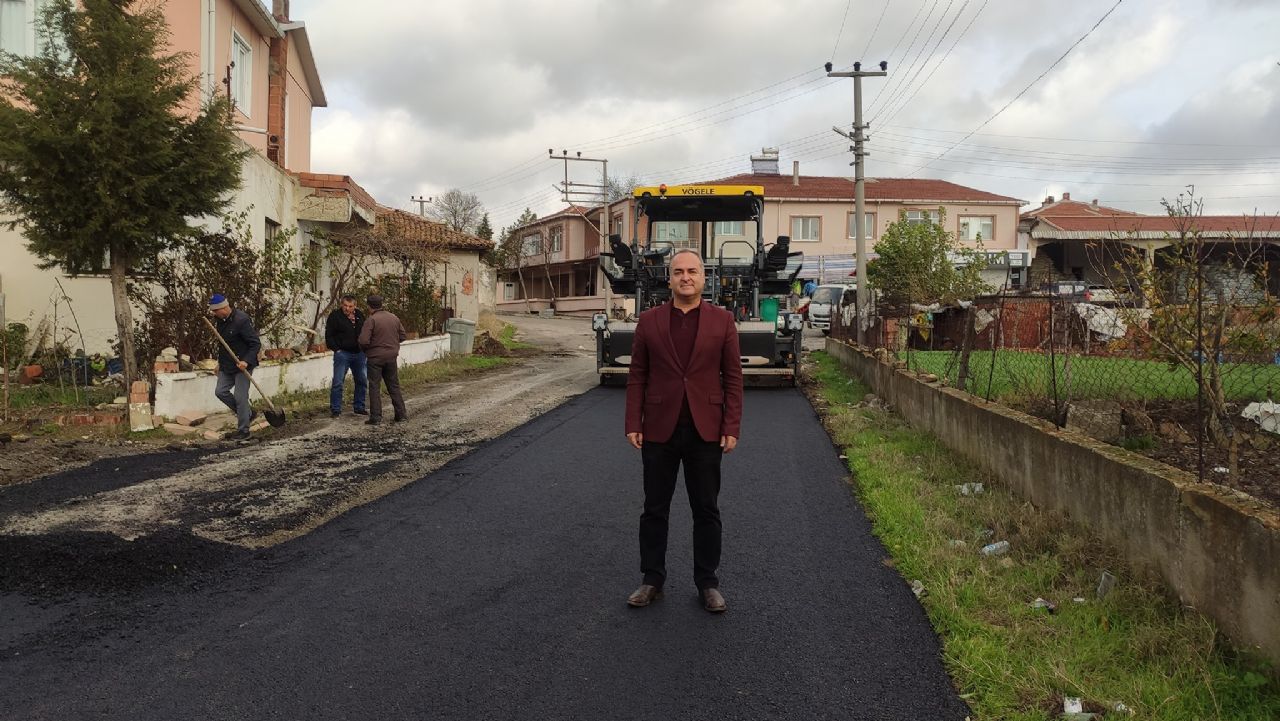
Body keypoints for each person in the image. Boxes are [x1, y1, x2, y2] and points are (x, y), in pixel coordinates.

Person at [624, 249, 743, 613]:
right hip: (659, 429)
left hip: (705, 430)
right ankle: (651, 579)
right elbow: (638, 376)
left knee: (706, 509)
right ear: (669, 278)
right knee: (654, 509)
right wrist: (633, 422)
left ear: (704, 278)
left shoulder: (723, 321)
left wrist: (731, 425)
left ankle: (708, 583)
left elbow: (733, 379)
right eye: (679, 272)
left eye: (692, 271)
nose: (686, 277)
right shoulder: (649, 321)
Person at [209, 294, 261, 441]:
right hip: (227, 364)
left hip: (243, 365)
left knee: (240, 397)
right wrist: (219, 363)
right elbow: (223, 345)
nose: (214, 314)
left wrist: (246, 361)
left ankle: (244, 430)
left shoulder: (242, 320)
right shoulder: (220, 320)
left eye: (215, 311)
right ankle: (248, 414)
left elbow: (255, 344)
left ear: (223, 308)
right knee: (220, 392)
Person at [357, 294, 407, 425]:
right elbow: (403, 336)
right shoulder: (393, 318)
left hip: (375, 358)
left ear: (369, 306)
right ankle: (401, 414)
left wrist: (367, 350)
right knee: (393, 385)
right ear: (382, 304)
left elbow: (363, 340)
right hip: (391, 357)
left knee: (374, 386)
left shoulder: (371, 320)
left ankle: (376, 417)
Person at [324, 295, 368, 418]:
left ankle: (359, 407)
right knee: (338, 382)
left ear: (355, 306)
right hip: (343, 354)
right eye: (345, 305)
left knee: (362, 381)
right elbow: (329, 335)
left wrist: (364, 348)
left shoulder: (359, 315)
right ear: (341, 305)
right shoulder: (335, 316)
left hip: (359, 354)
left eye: (350, 306)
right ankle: (336, 409)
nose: (347, 308)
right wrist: (337, 350)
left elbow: (365, 331)